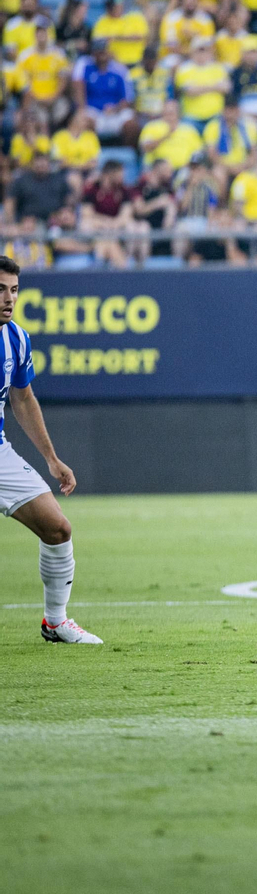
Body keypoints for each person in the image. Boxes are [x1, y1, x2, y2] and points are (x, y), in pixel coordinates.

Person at [0, 257, 96, 643]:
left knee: (58, 529)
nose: (9, 299)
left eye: (14, 290)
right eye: (0, 290)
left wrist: (52, 459)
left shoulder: (17, 338)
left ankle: (55, 623)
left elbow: (22, 400)